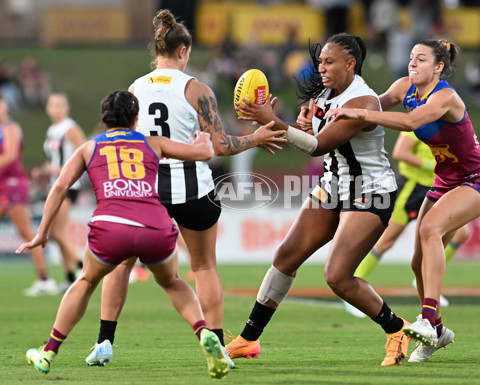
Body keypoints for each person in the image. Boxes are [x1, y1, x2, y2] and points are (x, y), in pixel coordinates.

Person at [85, 9, 286, 368]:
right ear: (183, 52)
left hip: (146, 192)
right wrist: (254, 138)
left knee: (123, 265)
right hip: (194, 188)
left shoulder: (134, 89)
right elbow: (220, 146)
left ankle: (104, 342)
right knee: (204, 266)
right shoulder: (197, 90)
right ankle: (220, 344)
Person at [227, 33, 413, 367]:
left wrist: (270, 119)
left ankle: (396, 329)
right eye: (320, 62)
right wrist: (301, 125)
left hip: (369, 190)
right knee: (285, 257)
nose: (321, 68)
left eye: (329, 62)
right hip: (332, 185)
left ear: (350, 64)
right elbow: (315, 139)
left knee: (337, 276)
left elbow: (319, 147)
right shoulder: (323, 95)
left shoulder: (364, 102)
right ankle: (248, 340)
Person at [20, 90, 229, 378]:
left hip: (111, 226)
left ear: (104, 119)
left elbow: (59, 187)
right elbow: (205, 153)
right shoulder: (153, 143)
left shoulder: (89, 148)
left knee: (86, 281)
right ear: (135, 118)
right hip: (154, 225)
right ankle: (204, 331)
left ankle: (48, 352)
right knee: (172, 283)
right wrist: (204, 140)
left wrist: (42, 233)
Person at [325, 39, 480, 362]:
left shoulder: (445, 97)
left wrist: (357, 111)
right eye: (410, 58)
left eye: (421, 59)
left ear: (438, 67)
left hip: (478, 181)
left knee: (430, 228)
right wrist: (327, 112)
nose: (412, 64)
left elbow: (409, 122)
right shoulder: (404, 87)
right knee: (417, 262)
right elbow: (374, 105)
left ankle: (428, 321)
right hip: (444, 181)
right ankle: (439, 333)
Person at [343, 131, 470, 318]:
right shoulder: (418, 123)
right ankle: (352, 290)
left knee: (460, 233)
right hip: (411, 187)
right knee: (386, 240)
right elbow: (400, 152)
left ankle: (425, 283)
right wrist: (430, 165)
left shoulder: (445, 125)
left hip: (435, 188)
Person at [0, 95, 57, 296]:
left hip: (12, 184)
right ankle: (45, 279)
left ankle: (45, 279)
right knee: (26, 232)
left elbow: (10, 156)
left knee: (26, 232)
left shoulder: (10, 128)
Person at [38, 92, 86, 293]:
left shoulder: (70, 128)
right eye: (53, 105)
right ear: (48, 108)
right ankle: (69, 276)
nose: (56, 109)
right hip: (54, 184)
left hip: (68, 185)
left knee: (57, 232)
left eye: (60, 105)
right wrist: (48, 169)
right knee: (55, 233)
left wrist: (58, 171)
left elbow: (85, 153)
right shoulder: (52, 130)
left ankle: (82, 266)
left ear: (66, 108)